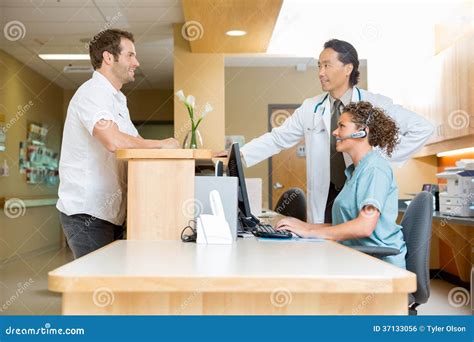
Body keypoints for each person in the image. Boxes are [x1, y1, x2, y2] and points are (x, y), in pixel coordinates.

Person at [238, 39, 434, 224]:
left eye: (327, 65)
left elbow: (422, 128)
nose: (320, 73)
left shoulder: (374, 104)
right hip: (326, 198)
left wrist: (379, 158)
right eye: (319, 66)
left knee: (357, 244)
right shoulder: (311, 107)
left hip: (360, 192)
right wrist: (239, 156)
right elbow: (277, 139)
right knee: (325, 252)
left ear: (348, 68)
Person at [57, 29, 180, 259]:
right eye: (130, 55)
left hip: (111, 213)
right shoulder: (92, 93)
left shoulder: (117, 100)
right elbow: (113, 140)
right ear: (108, 57)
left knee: (109, 286)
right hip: (88, 214)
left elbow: (136, 143)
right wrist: (161, 144)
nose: (137, 62)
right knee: (97, 287)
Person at [276, 101, 407, 269]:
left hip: (379, 266)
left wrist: (309, 233)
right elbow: (345, 225)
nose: (334, 132)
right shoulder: (355, 171)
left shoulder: (375, 169)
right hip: (357, 258)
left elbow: (365, 226)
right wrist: (305, 226)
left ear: (362, 132)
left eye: (342, 126)